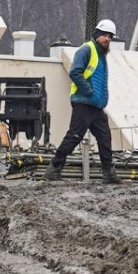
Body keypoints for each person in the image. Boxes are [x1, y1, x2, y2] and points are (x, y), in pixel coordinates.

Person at [44, 19, 120, 182]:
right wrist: (89, 91)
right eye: (105, 35)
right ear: (97, 35)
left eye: (110, 36)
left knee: (105, 138)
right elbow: (75, 72)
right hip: (84, 103)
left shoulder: (101, 54)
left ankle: (109, 174)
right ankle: (54, 169)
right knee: (74, 136)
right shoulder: (87, 49)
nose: (107, 39)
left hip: (96, 106)